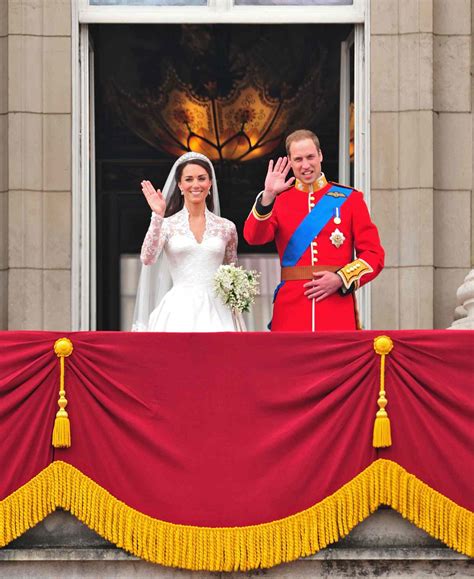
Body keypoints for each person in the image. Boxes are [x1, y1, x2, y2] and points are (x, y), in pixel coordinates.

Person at [243, 129, 384, 331]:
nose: (306, 165)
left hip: (335, 306)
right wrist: (267, 196)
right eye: (298, 159)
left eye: (310, 157)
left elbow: (373, 254)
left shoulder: (350, 199)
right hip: (291, 310)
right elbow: (253, 237)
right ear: (290, 163)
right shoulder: (278, 201)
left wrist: (341, 278)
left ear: (320, 155)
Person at [132, 152, 240, 332]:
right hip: (178, 310)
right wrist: (157, 216)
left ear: (210, 183)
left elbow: (233, 272)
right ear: (180, 185)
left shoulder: (226, 227)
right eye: (189, 179)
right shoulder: (167, 225)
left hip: (219, 310)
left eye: (201, 178)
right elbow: (147, 258)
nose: (195, 185)